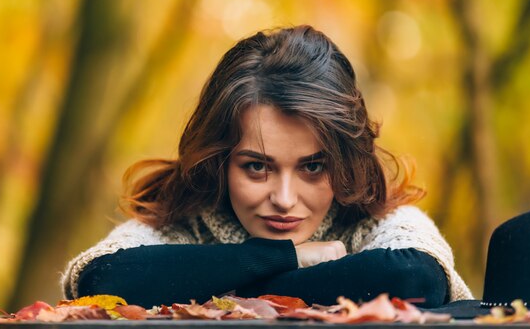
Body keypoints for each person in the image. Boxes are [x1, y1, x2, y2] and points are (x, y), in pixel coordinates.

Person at [61, 25, 472, 309]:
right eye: (257, 167)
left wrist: (224, 285)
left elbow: (415, 277)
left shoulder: (380, 223)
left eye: (313, 167)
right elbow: (107, 280)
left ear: (345, 162)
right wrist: (287, 257)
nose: (285, 199)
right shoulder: (184, 226)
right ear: (219, 161)